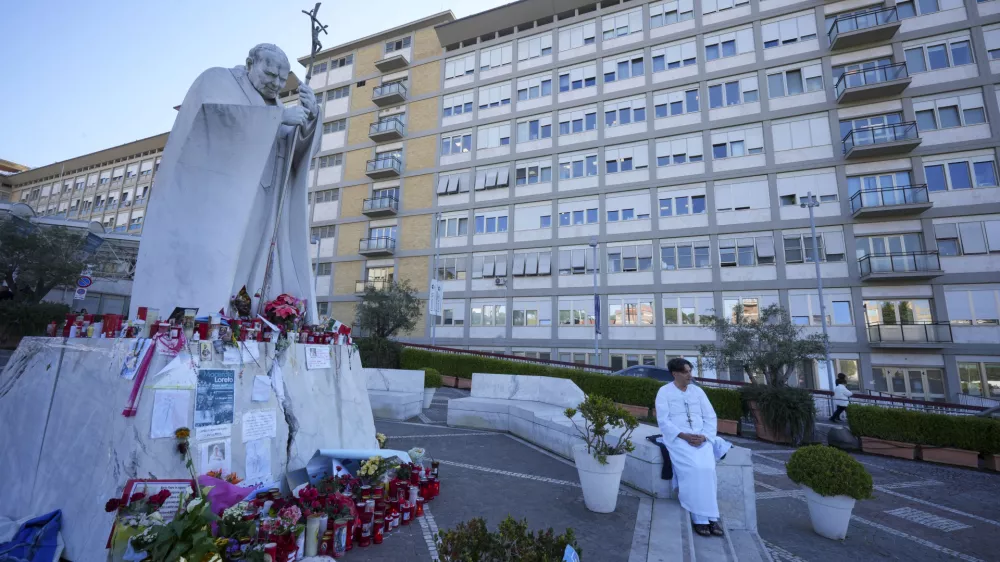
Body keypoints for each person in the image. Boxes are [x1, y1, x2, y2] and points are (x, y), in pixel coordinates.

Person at [655, 358, 732, 538]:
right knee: (694, 469)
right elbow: (663, 421)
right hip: (679, 440)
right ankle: (700, 518)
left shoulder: (698, 392)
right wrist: (684, 436)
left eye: (690, 371)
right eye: (686, 372)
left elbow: (710, 417)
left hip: (701, 439)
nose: (690, 375)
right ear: (675, 374)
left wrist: (704, 436)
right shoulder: (664, 392)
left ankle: (712, 516)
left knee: (707, 469)